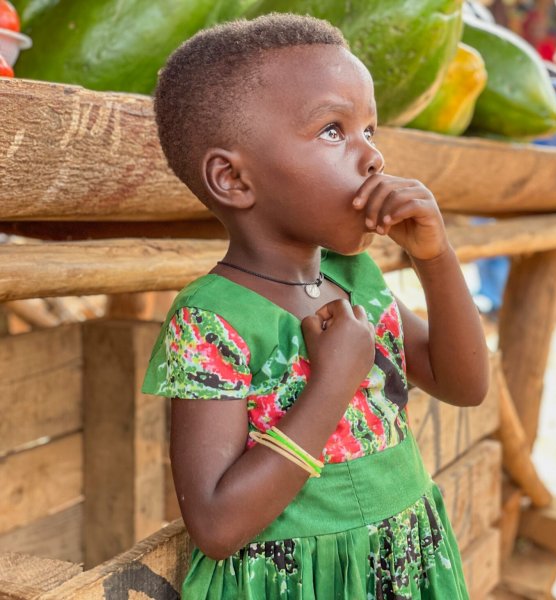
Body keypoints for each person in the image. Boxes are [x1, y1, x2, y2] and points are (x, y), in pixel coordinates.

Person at [141, 13, 490, 599]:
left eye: (370, 131)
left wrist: (436, 257)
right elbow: (217, 526)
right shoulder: (210, 321)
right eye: (334, 130)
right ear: (232, 178)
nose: (372, 157)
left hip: (400, 562)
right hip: (294, 584)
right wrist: (331, 385)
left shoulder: (355, 278)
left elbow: (465, 384)